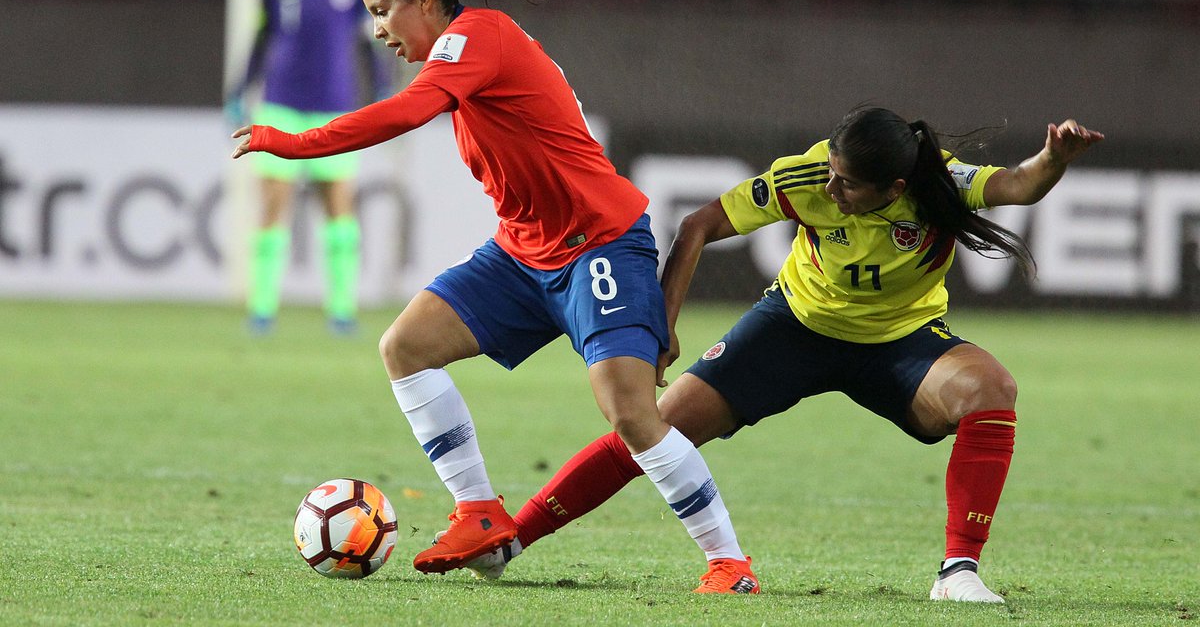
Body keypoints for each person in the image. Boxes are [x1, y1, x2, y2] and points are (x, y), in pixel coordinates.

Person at [231, 0, 758, 594]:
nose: (379, 31)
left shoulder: (477, 36)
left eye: (384, 12)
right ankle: (478, 510)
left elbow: (403, 113)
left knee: (631, 412)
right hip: (523, 251)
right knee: (406, 346)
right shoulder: (466, 50)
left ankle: (729, 562)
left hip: (599, 243)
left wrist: (291, 142)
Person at [452, 106, 1104, 604]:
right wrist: (662, 323)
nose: (832, 187)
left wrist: (1054, 157)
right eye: (832, 172)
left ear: (895, 186)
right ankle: (511, 540)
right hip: (791, 330)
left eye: (848, 183)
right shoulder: (810, 175)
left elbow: (1018, 186)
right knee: (651, 427)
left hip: (899, 343)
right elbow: (699, 224)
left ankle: (957, 571)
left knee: (992, 389)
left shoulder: (938, 185)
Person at [225, 0, 391, 335]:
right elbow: (261, 36)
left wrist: (382, 91)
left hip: (335, 110)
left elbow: (373, 42)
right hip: (281, 107)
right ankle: (262, 308)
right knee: (273, 204)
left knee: (337, 206)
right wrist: (240, 91)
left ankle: (341, 309)